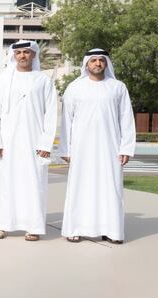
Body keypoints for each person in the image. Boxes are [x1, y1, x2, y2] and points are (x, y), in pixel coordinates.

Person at [59, 49, 135, 244]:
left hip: (110, 148)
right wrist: (66, 149)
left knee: (110, 189)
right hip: (81, 149)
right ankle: (75, 229)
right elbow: (66, 121)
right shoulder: (74, 88)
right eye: (94, 60)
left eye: (101, 60)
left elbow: (126, 119)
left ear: (107, 63)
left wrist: (126, 148)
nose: (98, 64)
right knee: (80, 188)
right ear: (87, 64)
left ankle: (112, 231)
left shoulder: (118, 87)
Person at [0, 40, 57, 241]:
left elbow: (50, 114)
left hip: (34, 142)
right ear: (13, 56)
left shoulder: (43, 81)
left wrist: (45, 144)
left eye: (27, 52)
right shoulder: (2, 79)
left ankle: (33, 226)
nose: (23, 56)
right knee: (4, 183)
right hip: (6, 142)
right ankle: (1, 225)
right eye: (19, 53)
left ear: (34, 55)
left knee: (33, 183)